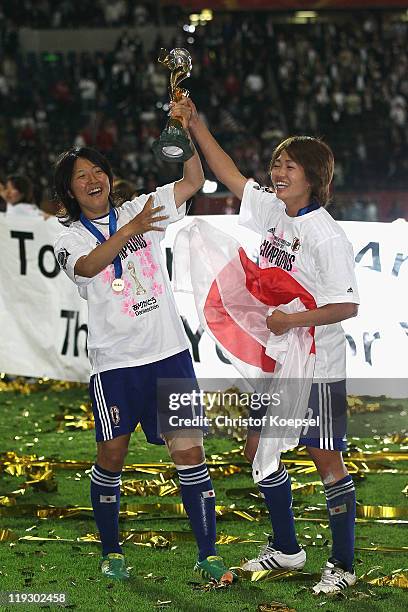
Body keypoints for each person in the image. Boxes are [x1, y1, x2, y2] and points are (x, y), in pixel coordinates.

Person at [171, 97, 360, 594]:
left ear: (313, 176)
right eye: (276, 163)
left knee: (325, 459)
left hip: (317, 359)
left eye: (289, 166)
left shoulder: (326, 236)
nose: (277, 172)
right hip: (282, 352)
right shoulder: (274, 208)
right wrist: (195, 123)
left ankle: (342, 564)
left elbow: (346, 307)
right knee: (260, 449)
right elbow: (229, 171)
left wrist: (292, 318)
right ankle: (287, 550)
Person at [53, 138, 235, 584]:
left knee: (190, 456)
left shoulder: (143, 207)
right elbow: (90, 266)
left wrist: (183, 133)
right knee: (112, 458)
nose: (93, 179)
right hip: (115, 365)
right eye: (82, 176)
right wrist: (130, 229)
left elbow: (194, 180)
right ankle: (112, 553)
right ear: (70, 191)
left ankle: (208, 554)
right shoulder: (68, 237)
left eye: (97, 170)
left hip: (169, 356)